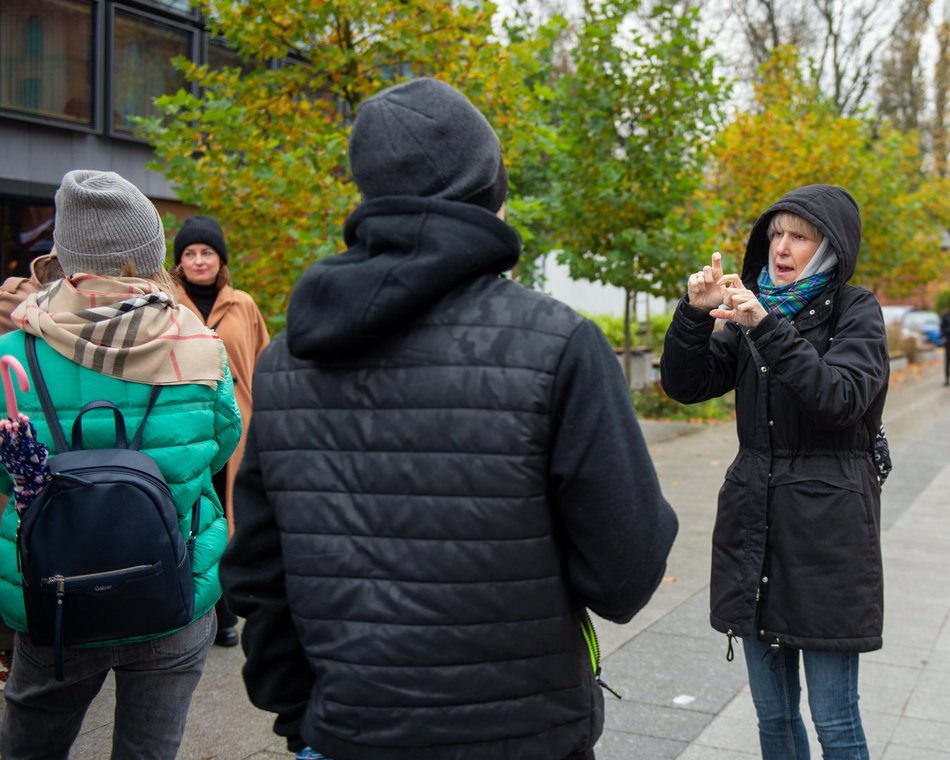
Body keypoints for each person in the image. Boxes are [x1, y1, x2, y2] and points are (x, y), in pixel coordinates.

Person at [220, 77, 678, 760]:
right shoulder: (558, 346)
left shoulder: (286, 361)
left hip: (347, 734)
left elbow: (257, 575)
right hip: (526, 736)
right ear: (489, 188)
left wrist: (302, 719)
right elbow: (625, 572)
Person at [0, 169, 242, 759]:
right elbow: (223, 441)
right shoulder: (197, 344)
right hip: (173, 583)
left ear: (65, 251)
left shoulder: (14, 350)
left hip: (51, 596)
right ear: (150, 253)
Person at [661, 185, 888, 760]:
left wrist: (765, 327)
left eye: (799, 236)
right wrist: (693, 315)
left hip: (827, 536)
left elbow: (838, 398)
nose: (781, 248)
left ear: (829, 247)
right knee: (773, 717)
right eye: (775, 235)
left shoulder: (854, 311)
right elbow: (687, 385)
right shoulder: (752, 312)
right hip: (753, 530)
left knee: (835, 719)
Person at [171, 215, 269, 647]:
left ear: (220, 259)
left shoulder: (243, 305)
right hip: (185, 428)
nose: (198, 260)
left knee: (229, 518)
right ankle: (188, 609)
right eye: (189, 253)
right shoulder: (166, 302)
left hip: (237, 428)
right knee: (190, 515)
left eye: (206, 252)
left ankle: (225, 613)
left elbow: (263, 360)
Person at [940, 302, 950, 386]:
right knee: (947, 360)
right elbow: (941, 327)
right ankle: (947, 379)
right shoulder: (945, 315)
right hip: (948, 341)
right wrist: (943, 336)